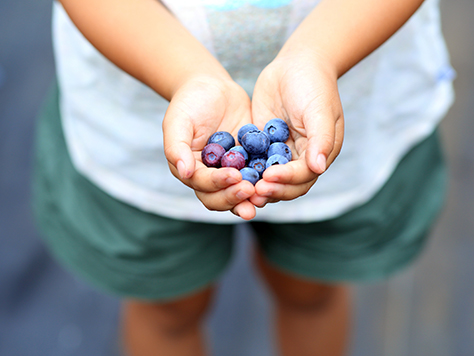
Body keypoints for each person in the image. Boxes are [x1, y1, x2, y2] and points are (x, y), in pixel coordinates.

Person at [32, 0, 454, 355]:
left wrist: (318, 55)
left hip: (347, 104)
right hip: (137, 125)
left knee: (311, 291)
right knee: (166, 307)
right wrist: (186, 75)